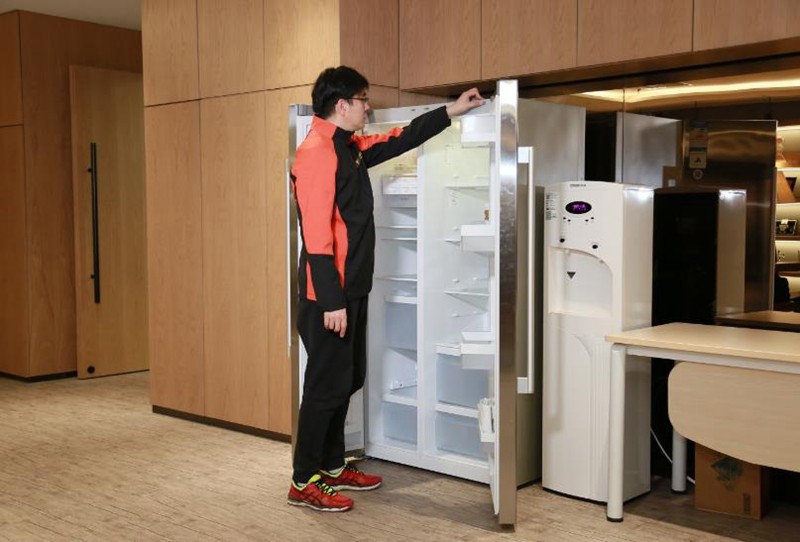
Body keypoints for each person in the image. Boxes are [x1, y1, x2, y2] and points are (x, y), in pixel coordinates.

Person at [288, 65, 484, 512]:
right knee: (323, 388)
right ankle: (303, 480)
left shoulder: (348, 146)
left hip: (351, 290)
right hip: (328, 298)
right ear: (342, 105)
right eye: (363, 100)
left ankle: (332, 467)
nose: (368, 107)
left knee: (346, 380)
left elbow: (399, 139)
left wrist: (450, 111)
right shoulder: (317, 152)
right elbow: (315, 235)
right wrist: (331, 301)